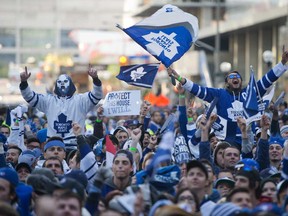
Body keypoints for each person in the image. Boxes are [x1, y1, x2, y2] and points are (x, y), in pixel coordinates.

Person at [167, 50, 288, 147]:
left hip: (248, 141)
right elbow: (197, 89)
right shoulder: (219, 94)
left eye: (237, 76)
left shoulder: (250, 92)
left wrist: (282, 63)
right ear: (227, 83)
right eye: (232, 77)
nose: (235, 78)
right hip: (225, 143)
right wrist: (179, 78)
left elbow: (267, 79)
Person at [19, 65, 103, 149]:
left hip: (75, 148)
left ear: (71, 84)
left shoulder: (80, 101)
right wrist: (24, 82)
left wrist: (95, 79)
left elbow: (97, 95)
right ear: (56, 85)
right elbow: (30, 97)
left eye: (65, 81)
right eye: (59, 82)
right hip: (53, 147)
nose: (62, 84)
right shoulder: (48, 101)